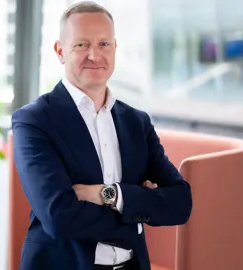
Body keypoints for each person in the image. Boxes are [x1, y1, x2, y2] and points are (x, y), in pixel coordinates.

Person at [11, 2, 192, 270]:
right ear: (60, 52)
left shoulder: (137, 122)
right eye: (81, 45)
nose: (94, 55)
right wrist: (137, 214)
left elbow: (181, 203)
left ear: (115, 49)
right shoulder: (34, 121)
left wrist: (108, 195)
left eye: (104, 44)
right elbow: (59, 217)